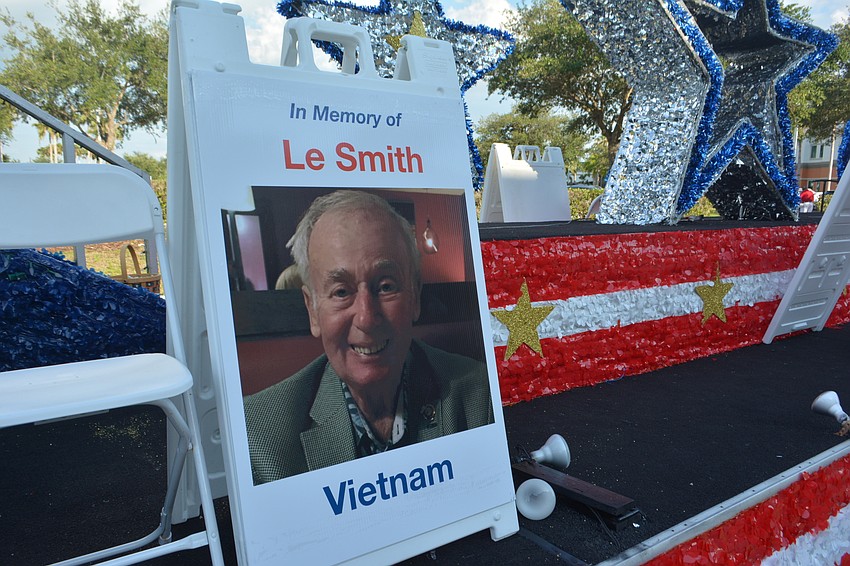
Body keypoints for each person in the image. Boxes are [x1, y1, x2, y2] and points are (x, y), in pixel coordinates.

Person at [244, 190, 493, 484]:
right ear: (313, 310)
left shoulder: (480, 394)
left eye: (386, 286)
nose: (366, 317)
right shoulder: (258, 435)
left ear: (415, 296)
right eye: (341, 292)